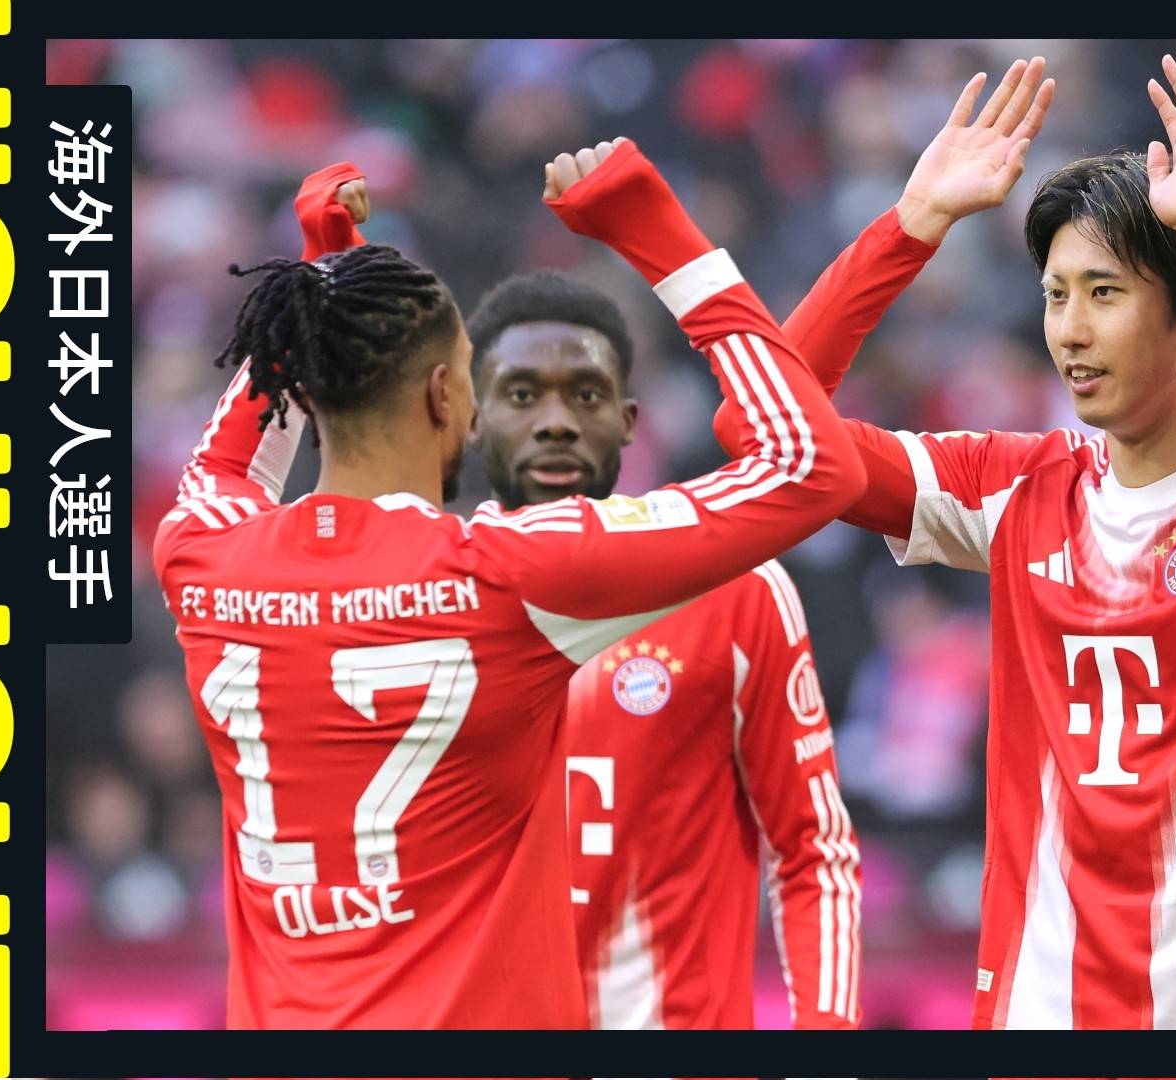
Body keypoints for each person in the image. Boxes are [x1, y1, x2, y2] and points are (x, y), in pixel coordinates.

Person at [721, 55, 1176, 1029]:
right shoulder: (1017, 488)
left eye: (1104, 293)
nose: (1069, 331)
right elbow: (762, 429)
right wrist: (913, 224)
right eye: (1054, 294)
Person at [150, 138, 865, 1027]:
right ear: (447, 396)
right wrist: (658, 233)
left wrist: (321, 278)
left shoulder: (201, 557)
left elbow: (231, 464)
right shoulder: (503, 575)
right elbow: (811, 466)